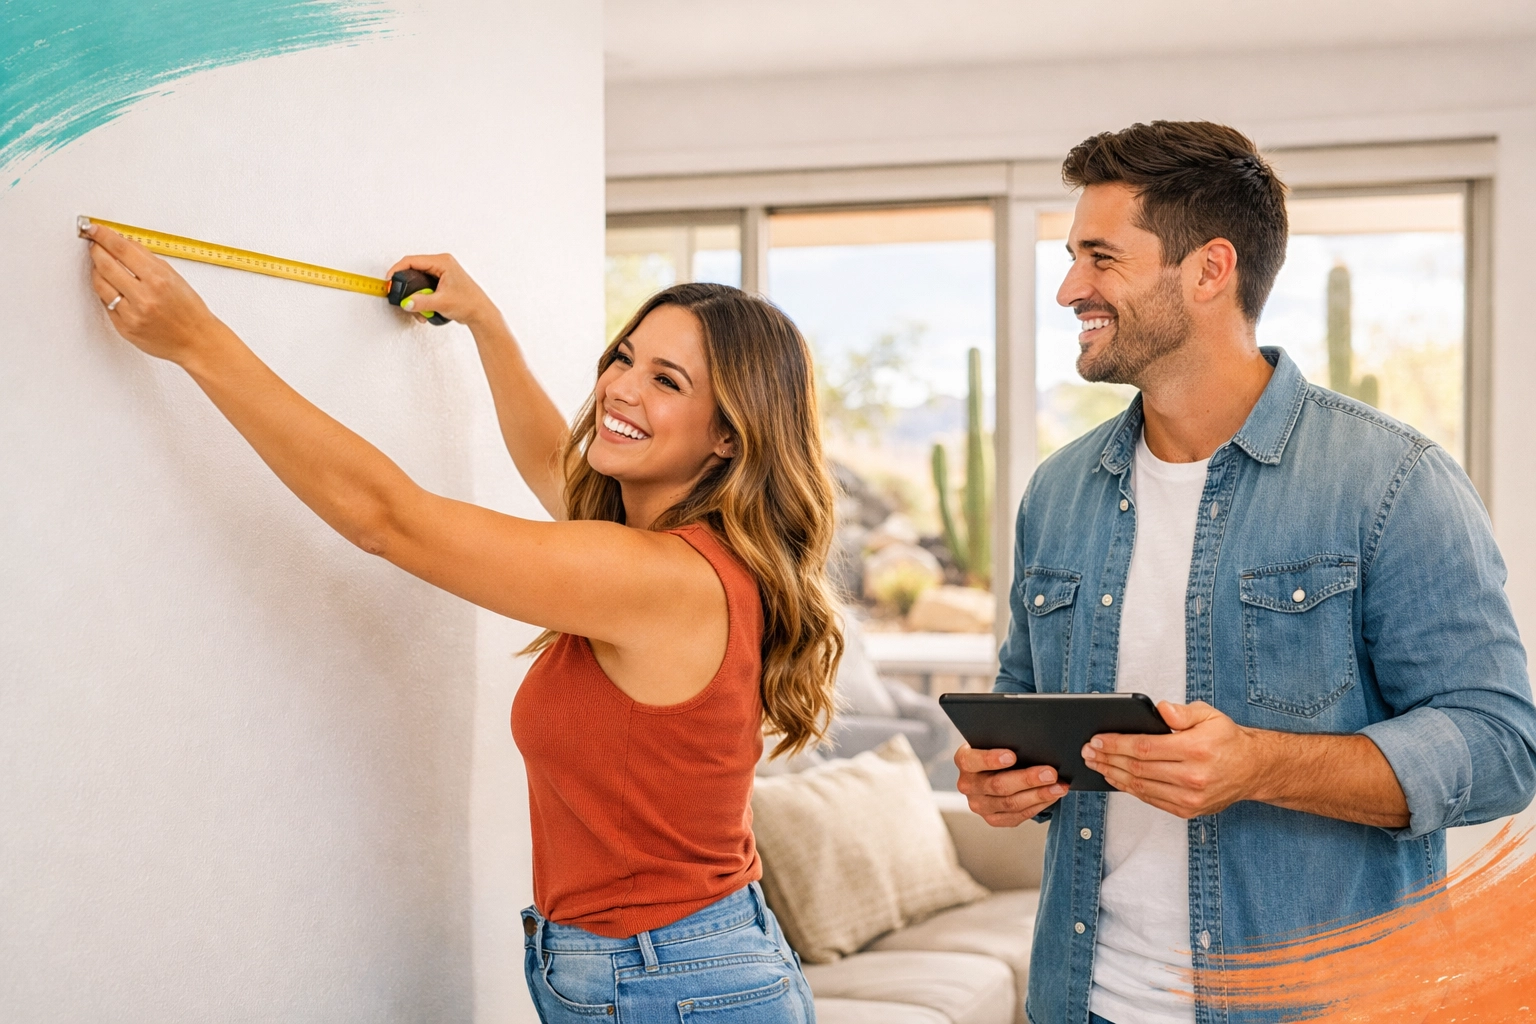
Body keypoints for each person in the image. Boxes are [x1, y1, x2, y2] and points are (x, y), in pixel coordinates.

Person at [81, 226, 833, 1023]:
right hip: (672, 966)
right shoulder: (676, 556)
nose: (620, 388)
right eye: (623, 356)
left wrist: (197, 340)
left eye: (667, 381)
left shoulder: (660, 579)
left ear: (728, 433)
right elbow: (557, 464)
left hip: (670, 981)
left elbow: (386, 519)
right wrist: (487, 324)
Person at [955, 121, 1536, 1024]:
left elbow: (1502, 745)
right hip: (1084, 1002)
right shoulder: (1058, 491)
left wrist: (1258, 765)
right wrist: (1002, 780)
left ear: (1209, 269)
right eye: (1071, 257)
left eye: (1100, 258)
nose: (1071, 288)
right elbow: (1023, 697)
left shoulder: (1392, 481)